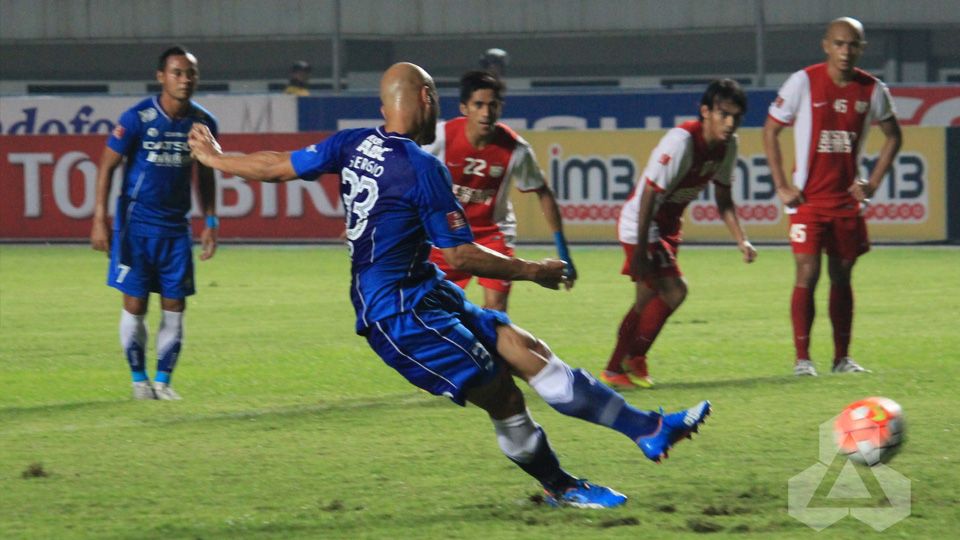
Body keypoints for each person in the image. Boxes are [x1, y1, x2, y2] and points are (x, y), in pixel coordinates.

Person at [188, 62, 710, 508]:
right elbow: (461, 252)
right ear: (426, 98)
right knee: (503, 394)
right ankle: (562, 488)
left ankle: (647, 429)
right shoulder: (422, 168)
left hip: (424, 287)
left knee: (527, 351)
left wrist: (215, 157)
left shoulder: (353, 142)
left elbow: (276, 165)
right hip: (397, 313)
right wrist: (534, 271)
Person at [763, 17, 901, 376]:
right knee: (807, 273)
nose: (845, 51)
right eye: (839, 43)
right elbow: (771, 130)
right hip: (807, 202)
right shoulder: (803, 82)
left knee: (842, 276)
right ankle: (802, 360)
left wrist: (871, 182)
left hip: (846, 203)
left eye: (852, 45)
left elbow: (893, 136)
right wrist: (782, 184)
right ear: (826, 45)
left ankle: (841, 359)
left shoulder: (872, 89)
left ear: (861, 49)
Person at [601, 79, 758, 390]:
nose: (730, 123)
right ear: (705, 111)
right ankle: (620, 363)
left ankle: (627, 362)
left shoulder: (729, 146)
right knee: (673, 291)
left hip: (669, 226)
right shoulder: (683, 141)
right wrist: (645, 247)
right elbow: (648, 194)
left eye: (736, 117)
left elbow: (724, 199)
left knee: (650, 298)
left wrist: (742, 239)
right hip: (641, 223)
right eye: (723, 114)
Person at [90, 46, 219, 400]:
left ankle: (163, 382)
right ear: (161, 76)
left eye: (190, 73)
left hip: (176, 229)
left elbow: (206, 174)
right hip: (136, 228)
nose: (185, 79)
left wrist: (210, 219)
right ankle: (138, 381)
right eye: (177, 72)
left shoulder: (204, 123)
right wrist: (99, 218)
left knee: (175, 305)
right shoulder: (137, 118)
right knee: (135, 304)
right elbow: (106, 165)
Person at [423, 70, 575, 311]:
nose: (486, 112)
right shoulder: (439, 137)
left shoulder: (516, 149)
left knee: (496, 310)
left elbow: (543, 192)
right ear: (464, 108)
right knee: (436, 308)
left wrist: (563, 248)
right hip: (448, 235)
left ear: (500, 108)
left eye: (492, 105)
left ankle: (492, 348)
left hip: (493, 234)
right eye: (479, 105)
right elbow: (399, 171)